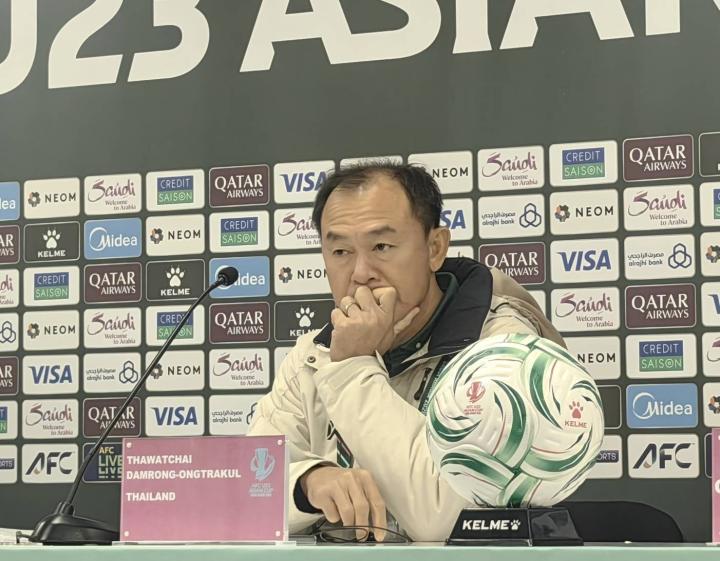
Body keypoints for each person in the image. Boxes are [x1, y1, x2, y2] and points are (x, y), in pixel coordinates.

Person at [247, 162, 564, 541]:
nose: (360, 272)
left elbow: (446, 519)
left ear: (435, 248)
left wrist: (353, 368)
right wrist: (308, 483)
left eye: (381, 247)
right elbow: (245, 491)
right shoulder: (313, 354)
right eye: (341, 251)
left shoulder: (505, 348)